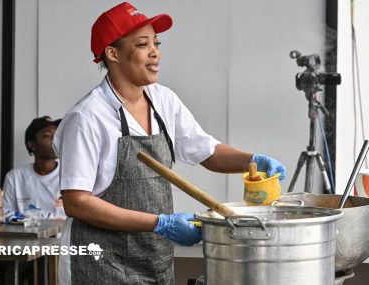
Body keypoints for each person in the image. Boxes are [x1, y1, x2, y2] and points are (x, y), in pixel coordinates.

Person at [52, 2, 287, 285]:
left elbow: (207, 152)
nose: (155, 52)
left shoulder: (163, 100)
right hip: (100, 262)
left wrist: (252, 160)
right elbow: (77, 203)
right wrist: (160, 223)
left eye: (156, 42)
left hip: (153, 256)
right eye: (142, 44)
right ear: (112, 53)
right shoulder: (88, 118)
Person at [0, 116, 65, 285]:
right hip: (23, 244)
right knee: (10, 264)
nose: (54, 140)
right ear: (31, 144)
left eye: (57, 135)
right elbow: (5, 214)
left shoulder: (68, 175)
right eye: (47, 135)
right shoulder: (15, 176)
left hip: (58, 245)